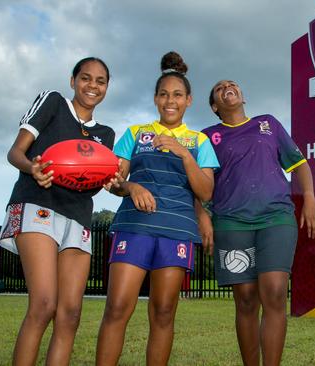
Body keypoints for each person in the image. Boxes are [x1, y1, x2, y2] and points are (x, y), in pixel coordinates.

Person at [95, 51, 219, 366]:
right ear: (155, 98)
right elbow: (113, 181)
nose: (170, 101)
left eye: (177, 95)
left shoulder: (198, 141)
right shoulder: (135, 134)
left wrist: (184, 154)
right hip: (133, 227)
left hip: (177, 230)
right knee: (118, 307)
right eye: (163, 94)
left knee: (163, 312)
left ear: (189, 100)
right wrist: (132, 187)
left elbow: (205, 191)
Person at [0, 57, 115, 366]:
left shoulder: (106, 135)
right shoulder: (52, 101)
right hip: (37, 204)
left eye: (100, 81)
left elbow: (90, 186)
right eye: (86, 78)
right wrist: (32, 167)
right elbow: (15, 152)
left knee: (70, 314)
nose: (92, 85)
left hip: (78, 217)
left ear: (107, 87)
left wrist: (106, 179)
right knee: (44, 305)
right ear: (73, 80)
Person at [199, 80, 315, 366]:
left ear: (243, 95)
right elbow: (198, 182)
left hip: (276, 218)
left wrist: (310, 198)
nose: (227, 86)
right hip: (230, 222)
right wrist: (201, 215)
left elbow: (299, 164)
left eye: (232, 84)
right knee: (245, 300)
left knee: (276, 293)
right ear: (215, 106)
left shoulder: (268, 124)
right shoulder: (207, 137)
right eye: (219, 87)